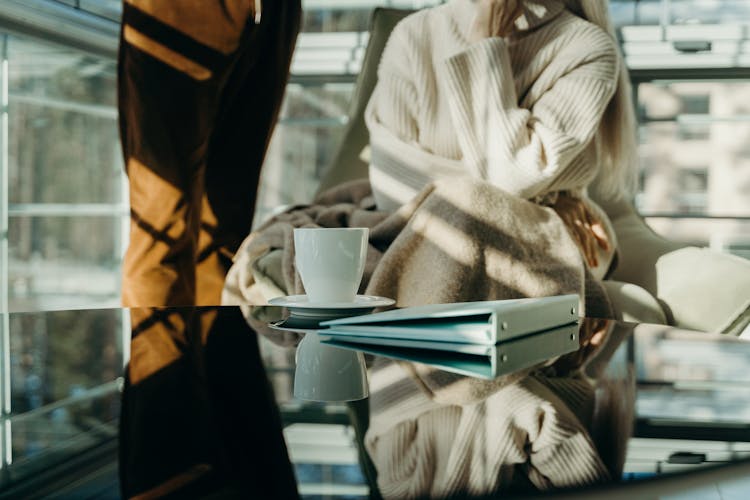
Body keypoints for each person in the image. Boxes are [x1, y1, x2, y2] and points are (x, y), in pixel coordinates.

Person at [365, 0, 639, 280]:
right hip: (425, 234)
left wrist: (485, 40)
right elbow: (391, 187)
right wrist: (537, 201)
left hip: (538, 240)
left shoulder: (587, 48)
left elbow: (508, 175)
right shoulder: (413, 34)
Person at [118, 0, 301, 307]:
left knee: (228, 230)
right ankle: (161, 355)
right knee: (162, 233)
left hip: (274, 11)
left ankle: (215, 351)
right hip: (178, 11)